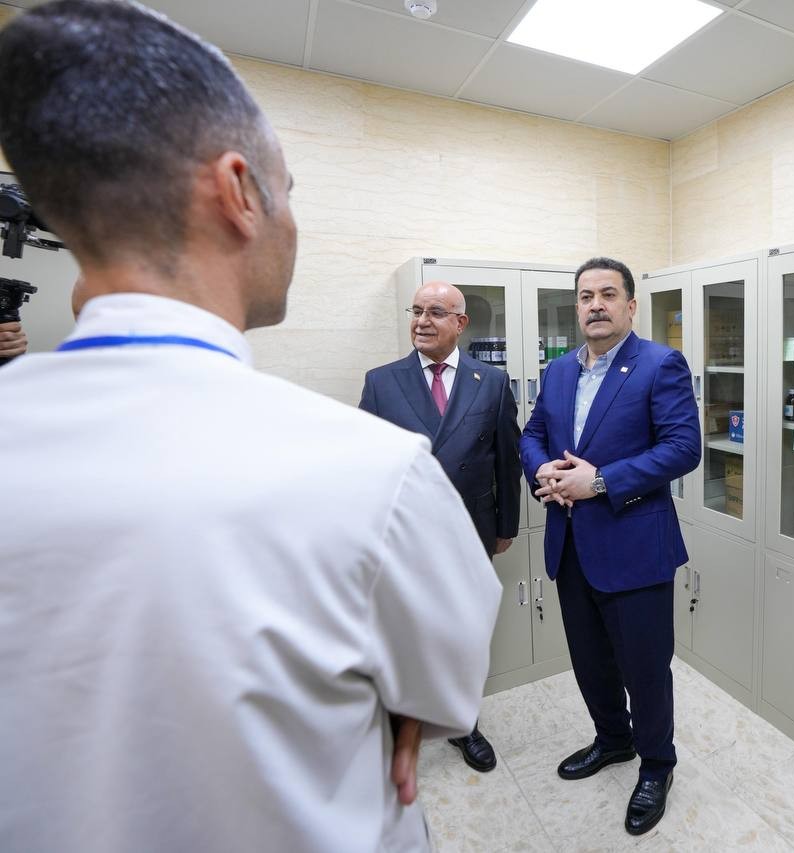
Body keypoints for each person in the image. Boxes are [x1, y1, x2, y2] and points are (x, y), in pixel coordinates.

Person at [0, 3, 500, 851]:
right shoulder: (371, 471)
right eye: (289, 193)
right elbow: (445, 687)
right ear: (238, 193)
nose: (293, 224)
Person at [519, 256, 700, 836]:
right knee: (590, 660)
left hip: (635, 547)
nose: (595, 305)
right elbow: (533, 434)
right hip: (571, 544)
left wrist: (599, 481)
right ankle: (613, 739)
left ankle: (657, 765)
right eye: (585, 296)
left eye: (607, 294)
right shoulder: (558, 370)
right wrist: (542, 468)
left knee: (645, 668)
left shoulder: (659, 364)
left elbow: (683, 448)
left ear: (630, 305)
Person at [359, 279, 522, 773]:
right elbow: (366, 466)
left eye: (434, 312)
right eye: (416, 311)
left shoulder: (490, 381)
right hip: (405, 535)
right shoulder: (382, 381)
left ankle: (462, 723)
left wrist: (506, 525)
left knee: (463, 633)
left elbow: (507, 460)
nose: (422, 321)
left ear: (460, 323)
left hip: (471, 529)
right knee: (406, 632)